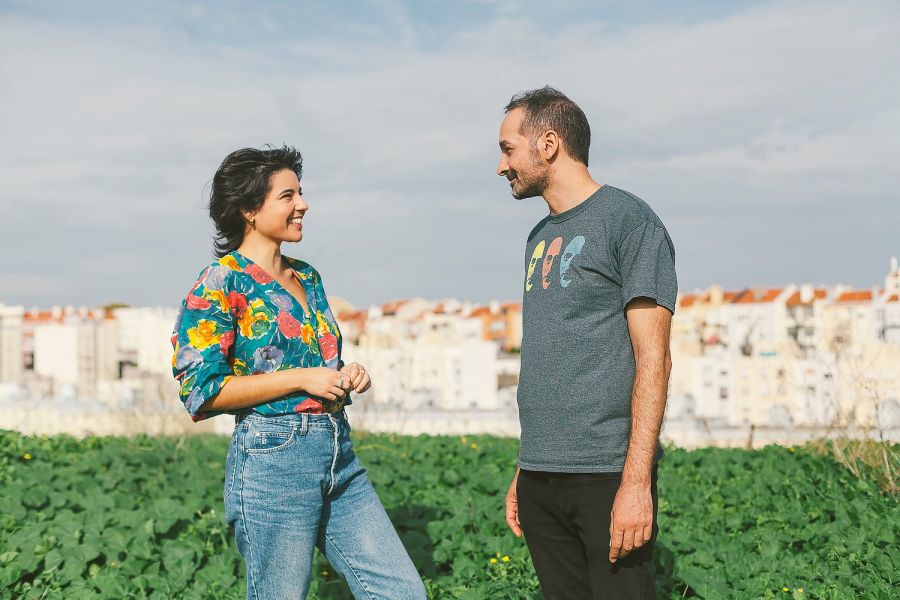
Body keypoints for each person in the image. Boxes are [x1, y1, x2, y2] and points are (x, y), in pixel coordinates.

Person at [171, 146, 426, 600]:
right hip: (273, 458)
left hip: (337, 452)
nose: (303, 205)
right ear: (249, 209)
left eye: (301, 193)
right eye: (287, 196)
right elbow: (201, 390)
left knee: (401, 593)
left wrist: (345, 374)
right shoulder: (220, 282)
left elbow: (316, 364)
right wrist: (301, 378)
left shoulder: (308, 278)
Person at [498, 87, 677, 599]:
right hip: (539, 476)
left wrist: (636, 482)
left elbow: (654, 358)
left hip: (606, 475)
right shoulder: (538, 236)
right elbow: (554, 357)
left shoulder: (630, 221)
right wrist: (525, 464)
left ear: (548, 143)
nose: (501, 166)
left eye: (508, 149)